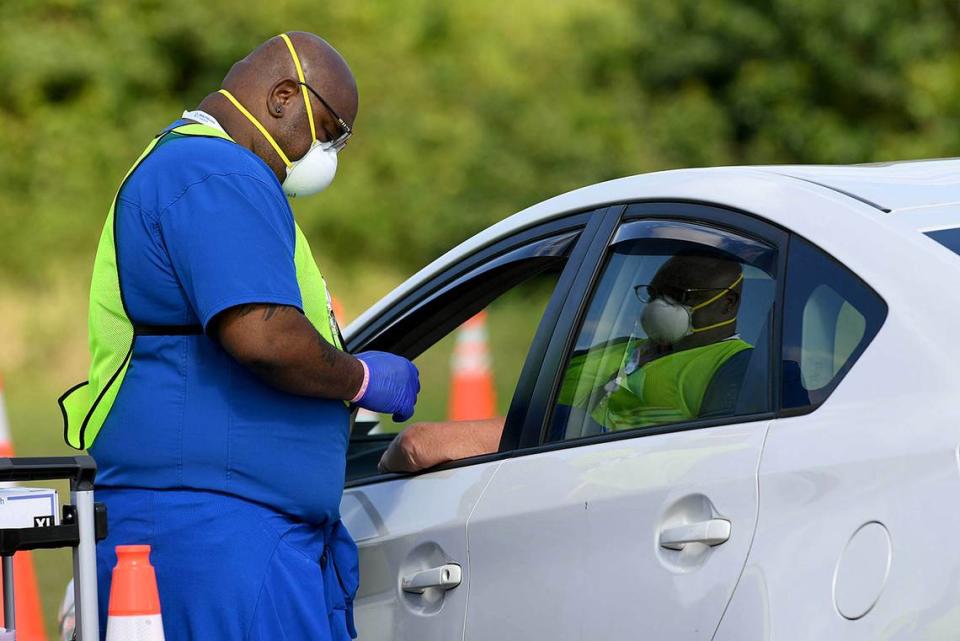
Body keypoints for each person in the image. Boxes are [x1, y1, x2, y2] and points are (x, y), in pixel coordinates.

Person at [59, 32, 420, 640]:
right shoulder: (214, 171)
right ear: (283, 95)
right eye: (328, 133)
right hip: (213, 537)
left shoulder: (201, 170)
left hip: (229, 528)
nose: (325, 155)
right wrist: (359, 379)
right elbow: (262, 335)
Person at [378, 253, 749, 473]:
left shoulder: (734, 367)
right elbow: (531, 417)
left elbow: (547, 429)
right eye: (654, 295)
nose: (659, 307)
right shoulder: (612, 350)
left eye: (678, 296)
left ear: (727, 304)